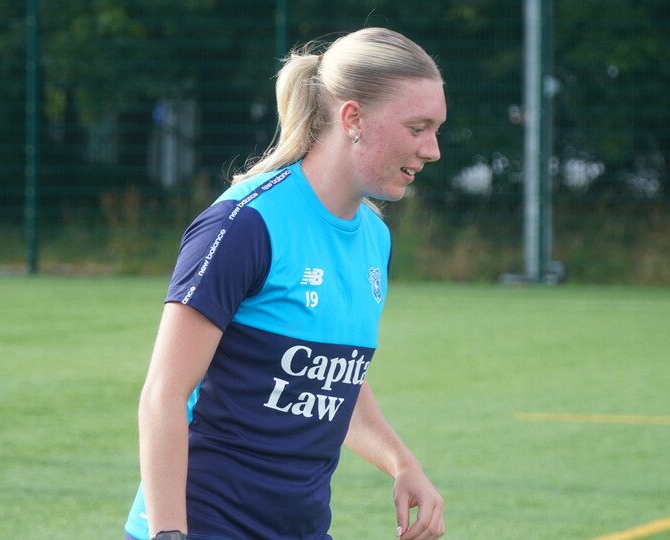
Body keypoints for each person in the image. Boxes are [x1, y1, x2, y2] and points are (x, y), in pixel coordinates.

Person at [124, 27, 446, 540]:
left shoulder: (374, 239)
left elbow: (332, 380)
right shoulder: (244, 224)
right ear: (353, 118)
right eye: (417, 127)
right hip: (200, 526)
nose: (432, 149)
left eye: (435, 129)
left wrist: (402, 464)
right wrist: (168, 535)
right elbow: (164, 394)